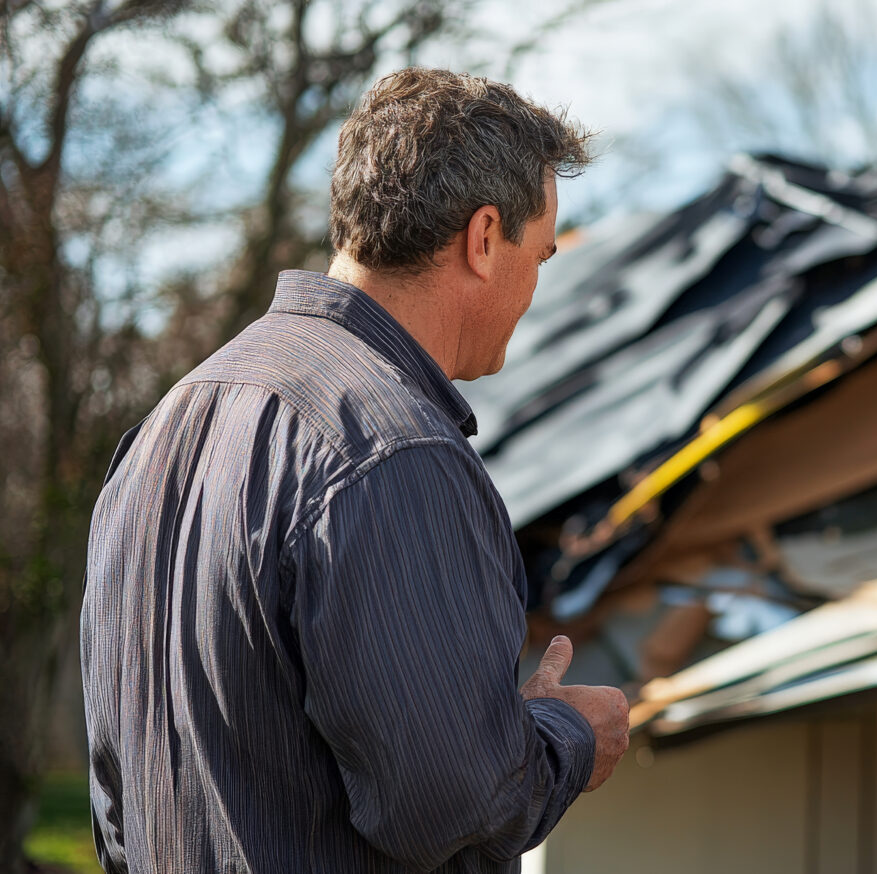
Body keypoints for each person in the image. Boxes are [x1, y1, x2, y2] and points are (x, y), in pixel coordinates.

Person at [80, 68, 629, 872]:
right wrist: (568, 734)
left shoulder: (158, 433)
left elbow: (114, 798)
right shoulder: (391, 450)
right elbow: (451, 805)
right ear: (483, 238)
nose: (535, 290)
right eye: (539, 256)